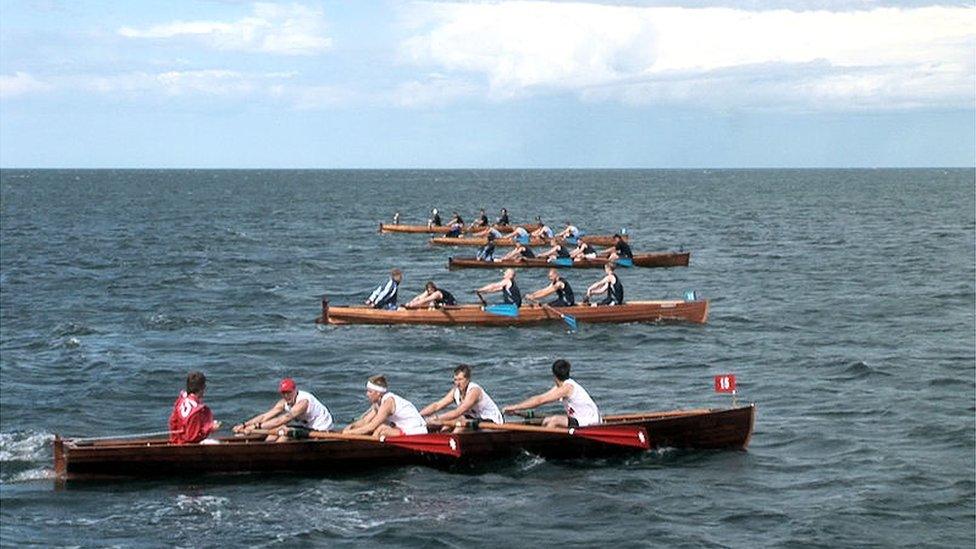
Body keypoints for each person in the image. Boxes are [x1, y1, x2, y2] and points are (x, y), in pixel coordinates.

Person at [502, 359, 600, 428]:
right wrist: (516, 411)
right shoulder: (562, 387)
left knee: (554, 420)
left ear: (553, 375)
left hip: (589, 423)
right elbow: (540, 398)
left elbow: (539, 401)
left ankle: (541, 453)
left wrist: (513, 407)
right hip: (580, 421)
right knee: (546, 420)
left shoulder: (567, 388)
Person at [235, 378, 334, 442]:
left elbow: (282, 420)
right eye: (283, 393)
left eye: (289, 392)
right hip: (306, 427)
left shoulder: (303, 402)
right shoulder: (283, 402)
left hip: (321, 429)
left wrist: (255, 428)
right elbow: (265, 416)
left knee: (284, 433)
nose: (286, 395)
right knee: (274, 431)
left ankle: (273, 455)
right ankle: (265, 449)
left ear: (295, 390)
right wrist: (245, 425)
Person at [419, 364, 504, 429]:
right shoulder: (455, 391)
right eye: (455, 380)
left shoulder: (474, 391)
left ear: (468, 379)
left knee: (459, 424)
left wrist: (436, 418)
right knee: (446, 426)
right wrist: (419, 415)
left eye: (460, 379)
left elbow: (458, 412)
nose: (457, 383)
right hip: (474, 418)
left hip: (492, 422)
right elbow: (437, 406)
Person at [343, 375, 427, 437]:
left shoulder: (388, 403)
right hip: (401, 428)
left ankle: (370, 449)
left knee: (381, 430)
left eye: (370, 392)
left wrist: (348, 433)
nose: (367, 394)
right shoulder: (377, 403)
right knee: (381, 427)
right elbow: (365, 421)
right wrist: (351, 427)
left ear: (378, 393)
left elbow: (371, 426)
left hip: (416, 431)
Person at [169, 371, 221, 444]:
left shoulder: (180, 400)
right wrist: (210, 428)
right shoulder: (196, 410)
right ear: (202, 387)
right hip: (186, 446)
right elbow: (192, 438)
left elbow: (172, 422)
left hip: (176, 441)